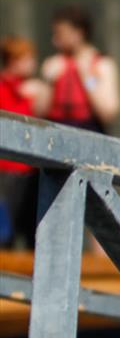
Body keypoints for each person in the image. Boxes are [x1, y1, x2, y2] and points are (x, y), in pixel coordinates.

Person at [0, 36, 50, 248]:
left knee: (34, 231)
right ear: (13, 60)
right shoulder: (5, 87)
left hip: (31, 169)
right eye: (28, 59)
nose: (33, 63)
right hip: (7, 169)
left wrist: (43, 92)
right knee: (5, 232)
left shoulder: (33, 88)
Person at [41, 5, 120, 133]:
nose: (54, 41)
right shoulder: (52, 64)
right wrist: (49, 83)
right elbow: (38, 112)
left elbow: (109, 114)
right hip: (54, 133)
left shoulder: (102, 64)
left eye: (60, 34)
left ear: (78, 33)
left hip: (91, 132)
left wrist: (87, 78)